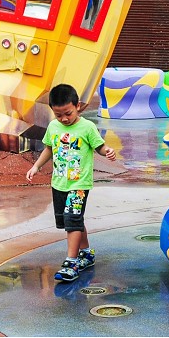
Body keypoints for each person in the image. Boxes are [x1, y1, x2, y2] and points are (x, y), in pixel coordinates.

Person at [26, 83, 117, 282]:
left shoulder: (87, 127)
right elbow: (49, 148)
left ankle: (71, 261)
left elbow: (99, 147)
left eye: (68, 113)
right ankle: (86, 253)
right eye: (58, 115)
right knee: (71, 220)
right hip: (59, 183)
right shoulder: (53, 127)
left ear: (78, 106)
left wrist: (108, 151)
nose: (64, 119)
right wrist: (36, 167)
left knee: (72, 220)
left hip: (79, 184)